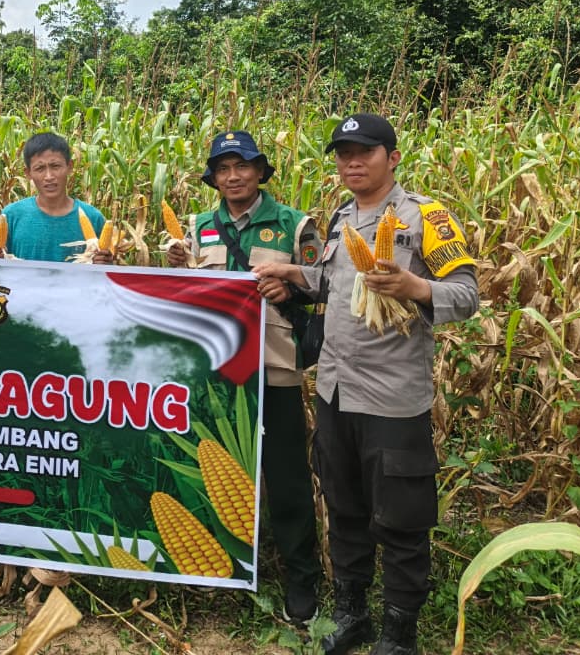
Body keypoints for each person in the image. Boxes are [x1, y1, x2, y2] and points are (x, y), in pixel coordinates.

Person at [256, 113, 479, 655]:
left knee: (401, 520)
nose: (352, 162)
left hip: (392, 398)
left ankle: (399, 633)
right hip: (335, 390)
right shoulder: (340, 219)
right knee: (346, 507)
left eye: (365, 152)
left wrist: (416, 286)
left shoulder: (426, 216)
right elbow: (337, 284)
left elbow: (468, 295)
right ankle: (350, 614)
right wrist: (295, 278)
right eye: (343, 154)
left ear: (392, 157)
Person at [166, 130, 322, 624]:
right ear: (214, 177)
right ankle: (223, 571)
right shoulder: (198, 227)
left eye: (243, 167)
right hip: (214, 373)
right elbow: (185, 295)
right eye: (224, 169)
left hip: (273, 369)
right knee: (216, 475)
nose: (233, 177)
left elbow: (323, 290)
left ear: (260, 172)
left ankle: (301, 578)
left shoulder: (296, 227)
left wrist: (290, 292)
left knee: (287, 478)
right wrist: (174, 265)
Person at [0, 132, 113, 264]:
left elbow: (107, 275)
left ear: (69, 167)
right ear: (28, 173)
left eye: (55, 166)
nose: (49, 176)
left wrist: (106, 263)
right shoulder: (12, 216)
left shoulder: (93, 218)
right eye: (40, 168)